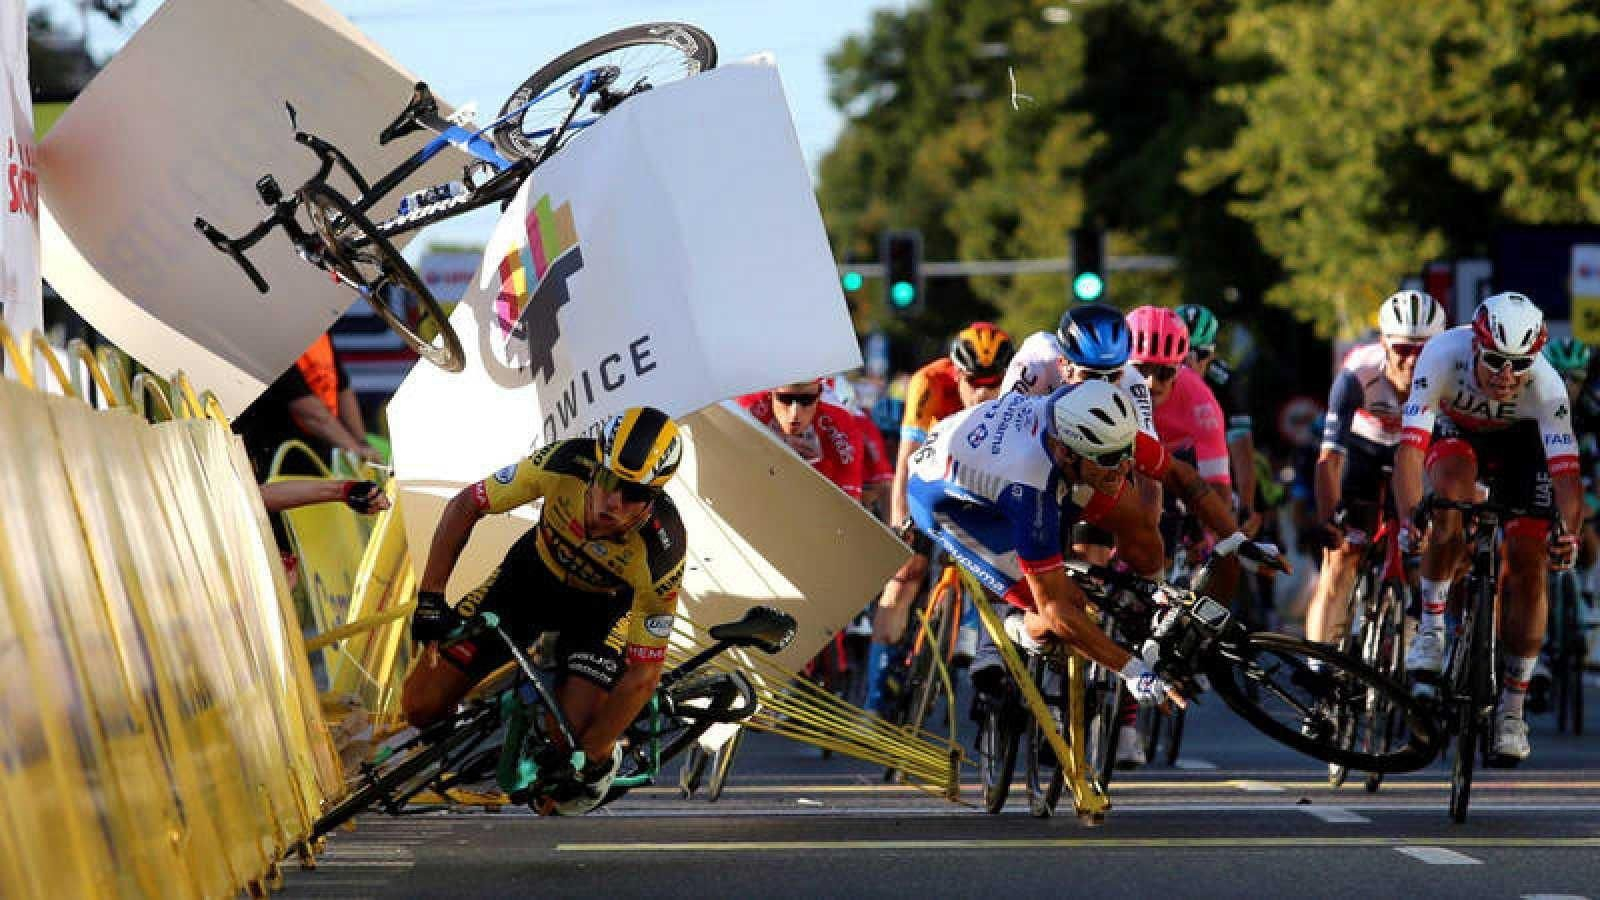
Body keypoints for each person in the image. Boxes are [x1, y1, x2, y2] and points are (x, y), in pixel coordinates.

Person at [401, 406, 686, 810]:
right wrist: (430, 598)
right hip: (528, 580)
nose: (613, 502)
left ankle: (595, 745)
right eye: (608, 481)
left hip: (600, 613)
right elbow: (466, 504)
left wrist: (594, 750)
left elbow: (645, 672)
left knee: (569, 744)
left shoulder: (662, 550)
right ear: (595, 467)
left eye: (634, 494)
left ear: (653, 498)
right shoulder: (563, 462)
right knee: (420, 706)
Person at [905, 380, 1184, 707]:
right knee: (1064, 609)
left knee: (1127, 517)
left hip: (986, 452)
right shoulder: (1030, 488)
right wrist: (1133, 671)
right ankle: (1021, 628)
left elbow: (1178, 478)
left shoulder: (1077, 415)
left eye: (1128, 452)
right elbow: (1056, 608)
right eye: (1111, 458)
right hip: (946, 503)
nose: (1125, 466)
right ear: (1068, 452)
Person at [1395, 293, 1584, 764]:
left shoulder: (1547, 385)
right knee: (1448, 503)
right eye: (1496, 360)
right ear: (1475, 346)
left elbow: (1565, 474)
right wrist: (1410, 514)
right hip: (1459, 435)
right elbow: (1411, 449)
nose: (1506, 375)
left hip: (1524, 448)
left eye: (1519, 364)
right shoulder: (1442, 354)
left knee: (1528, 561)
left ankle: (1512, 712)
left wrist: (1569, 533)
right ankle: (1432, 629)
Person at [868, 322, 1015, 715]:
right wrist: (900, 522)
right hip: (929, 474)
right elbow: (905, 461)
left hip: (979, 481)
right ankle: (874, 699)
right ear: (956, 372)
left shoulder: (1017, 391)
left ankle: (975, 640)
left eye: (993, 383)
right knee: (905, 576)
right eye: (974, 381)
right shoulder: (929, 382)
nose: (983, 393)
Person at [1305, 291, 1446, 658]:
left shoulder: (1450, 377)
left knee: (1431, 546)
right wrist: (1328, 517)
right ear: (1383, 342)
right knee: (1341, 558)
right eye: (1402, 349)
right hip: (1362, 450)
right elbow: (1329, 458)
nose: (1413, 360)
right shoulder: (1358, 372)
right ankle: (1318, 664)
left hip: (1415, 453)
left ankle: (1412, 636)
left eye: (1423, 350)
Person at [233, 333, 382, 478]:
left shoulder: (321, 333)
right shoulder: (273, 338)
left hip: (319, 460)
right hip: (280, 463)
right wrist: (355, 449)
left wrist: (362, 444)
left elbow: (343, 388)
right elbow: (307, 410)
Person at [1176, 304, 1261, 535]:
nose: (1190, 363)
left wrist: (1246, 507)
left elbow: (1242, 450)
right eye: (1182, 354)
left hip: (1213, 464)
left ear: (1212, 354)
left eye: (1200, 354)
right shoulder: (1155, 373)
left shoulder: (1225, 382)